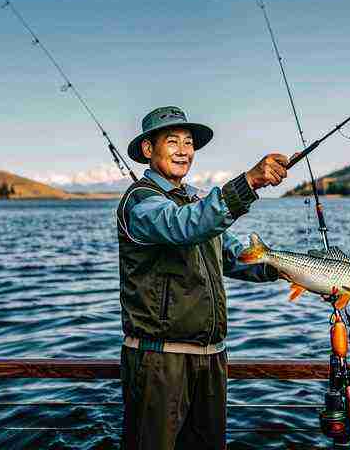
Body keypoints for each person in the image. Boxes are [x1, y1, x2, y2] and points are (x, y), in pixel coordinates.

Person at [117, 106, 291, 449]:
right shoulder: (140, 203)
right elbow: (184, 225)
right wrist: (250, 183)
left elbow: (237, 257)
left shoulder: (197, 201)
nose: (184, 150)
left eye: (189, 142)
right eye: (172, 141)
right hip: (159, 360)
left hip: (211, 358)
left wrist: (288, 269)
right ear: (148, 150)